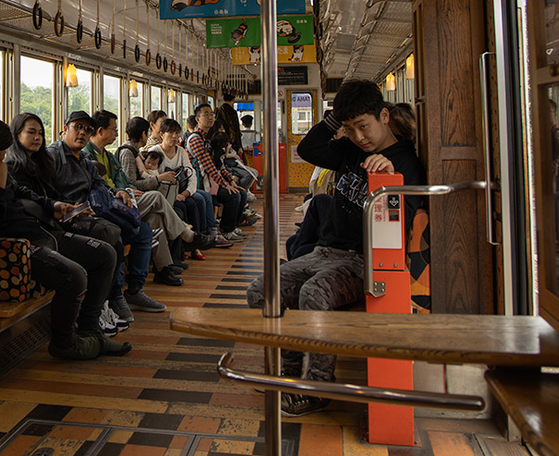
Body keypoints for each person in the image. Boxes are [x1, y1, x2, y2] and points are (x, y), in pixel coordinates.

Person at [246, 79, 423, 417]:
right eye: (350, 128)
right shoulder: (351, 150)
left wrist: (390, 180)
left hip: (364, 261)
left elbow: (404, 223)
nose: (359, 136)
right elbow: (308, 149)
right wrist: (334, 119)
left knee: (313, 294)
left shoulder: (406, 163)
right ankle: (288, 367)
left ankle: (318, 386)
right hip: (324, 251)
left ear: (384, 116)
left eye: (363, 126)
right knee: (262, 290)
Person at [0, 116, 128, 360]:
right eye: (2, 152)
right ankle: (64, 343)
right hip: (10, 250)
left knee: (105, 254)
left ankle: (90, 330)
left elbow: (20, 191)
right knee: (75, 275)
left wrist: (53, 204)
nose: (5, 156)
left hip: (37, 232)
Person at [4, 112, 128, 336]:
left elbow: (50, 197)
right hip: (36, 235)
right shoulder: (14, 165)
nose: (37, 138)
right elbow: (28, 201)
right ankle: (83, 326)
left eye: (40, 133)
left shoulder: (39, 163)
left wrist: (70, 209)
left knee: (118, 240)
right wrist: (60, 207)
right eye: (31, 132)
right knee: (108, 245)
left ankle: (100, 313)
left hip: (54, 225)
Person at [48, 111, 163, 320]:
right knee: (114, 237)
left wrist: (116, 191)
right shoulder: (53, 156)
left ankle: (135, 290)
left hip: (94, 211)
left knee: (143, 232)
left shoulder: (83, 158)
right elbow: (51, 195)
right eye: (78, 127)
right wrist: (75, 208)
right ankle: (113, 296)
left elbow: (99, 182)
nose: (83, 133)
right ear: (65, 129)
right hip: (69, 219)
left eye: (87, 129)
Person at [84, 110, 210, 287]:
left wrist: (127, 189)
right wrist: (127, 189)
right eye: (113, 129)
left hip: (124, 199)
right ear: (100, 131)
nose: (117, 133)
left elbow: (125, 180)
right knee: (158, 198)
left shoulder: (108, 154)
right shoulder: (92, 156)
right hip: (110, 205)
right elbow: (108, 185)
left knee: (155, 218)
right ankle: (187, 235)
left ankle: (163, 269)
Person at [114, 115, 216, 281]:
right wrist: (158, 179)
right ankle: (189, 236)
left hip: (151, 196)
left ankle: (164, 268)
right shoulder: (129, 153)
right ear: (143, 134)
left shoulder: (136, 152)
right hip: (135, 199)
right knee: (167, 204)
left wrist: (185, 192)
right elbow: (131, 183)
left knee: (159, 218)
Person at [148, 117, 228, 256]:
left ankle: (196, 240)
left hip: (182, 192)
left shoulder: (181, 151)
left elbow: (191, 176)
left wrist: (185, 193)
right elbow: (152, 176)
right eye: (170, 133)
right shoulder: (155, 152)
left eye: (177, 133)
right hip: (164, 194)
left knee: (194, 201)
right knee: (184, 207)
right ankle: (186, 246)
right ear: (161, 134)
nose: (174, 136)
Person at [184, 104, 246, 241]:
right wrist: (225, 185)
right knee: (233, 195)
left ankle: (230, 227)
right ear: (198, 119)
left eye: (212, 114)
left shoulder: (206, 138)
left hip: (211, 182)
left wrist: (230, 180)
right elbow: (209, 166)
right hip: (201, 183)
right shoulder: (195, 139)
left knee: (240, 192)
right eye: (206, 114)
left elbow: (218, 164)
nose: (210, 117)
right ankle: (226, 230)